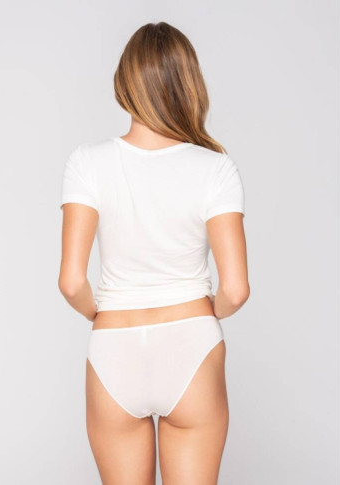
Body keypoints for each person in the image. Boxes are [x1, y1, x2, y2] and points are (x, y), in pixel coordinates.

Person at [59, 21, 250, 485]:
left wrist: (101, 314)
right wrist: (203, 312)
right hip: (191, 344)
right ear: (189, 84)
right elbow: (236, 289)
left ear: (124, 81)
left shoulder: (87, 162)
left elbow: (72, 281)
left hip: (114, 347)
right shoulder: (215, 168)